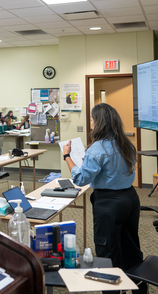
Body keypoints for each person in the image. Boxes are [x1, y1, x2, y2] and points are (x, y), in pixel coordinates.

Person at [63, 103, 145, 287]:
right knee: (131, 246)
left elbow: (81, 178)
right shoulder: (126, 144)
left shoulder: (97, 148)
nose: (90, 123)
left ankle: (112, 289)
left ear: (98, 122)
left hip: (109, 204)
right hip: (130, 199)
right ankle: (139, 288)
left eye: (92, 120)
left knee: (108, 252)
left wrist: (67, 156)